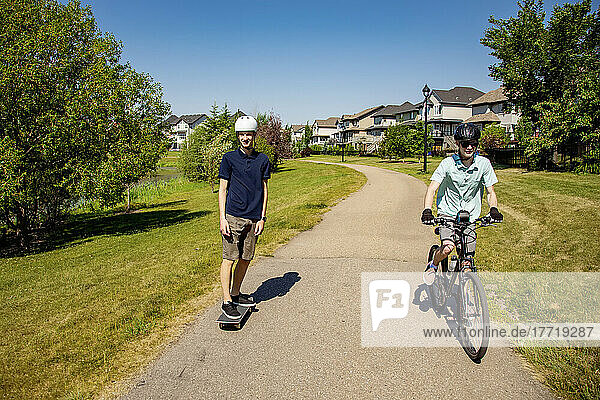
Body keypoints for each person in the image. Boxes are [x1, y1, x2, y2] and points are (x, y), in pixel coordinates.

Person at [421, 123, 503, 284]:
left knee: (467, 259)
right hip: (448, 213)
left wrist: (493, 209)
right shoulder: (447, 164)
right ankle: (433, 264)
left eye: (473, 143)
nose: (470, 147)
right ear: (458, 143)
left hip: (470, 216)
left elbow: (490, 191)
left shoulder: (484, 164)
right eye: (465, 143)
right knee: (447, 248)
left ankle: (466, 298)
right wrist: (427, 211)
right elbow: (432, 189)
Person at [217, 115, 270, 319]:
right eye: (242, 134)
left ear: (254, 135)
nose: (245, 138)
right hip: (233, 217)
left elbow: (265, 189)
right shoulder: (229, 158)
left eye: (248, 134)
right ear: (238, 136)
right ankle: (226, 301)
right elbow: (223, 189)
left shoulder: (262, 159)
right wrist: (222, 218)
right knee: (229, 259)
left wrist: (262, 217)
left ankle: (236, 293)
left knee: (246, 258)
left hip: (254, 218)